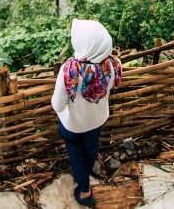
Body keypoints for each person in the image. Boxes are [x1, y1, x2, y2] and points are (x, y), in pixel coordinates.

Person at [51, 19, 122, 207]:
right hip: (97, 120)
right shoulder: (113, 65)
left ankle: (84, 192)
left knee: (75, 150)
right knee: (91, 147)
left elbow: (58, 105)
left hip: (73, 124)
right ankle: (87, 171)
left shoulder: (70, 71)